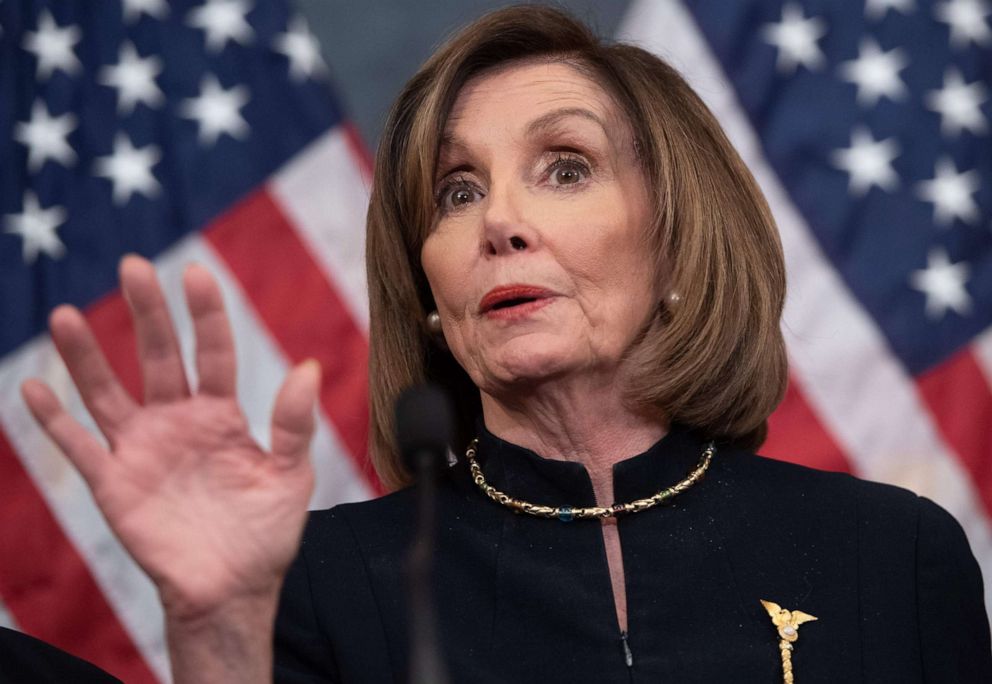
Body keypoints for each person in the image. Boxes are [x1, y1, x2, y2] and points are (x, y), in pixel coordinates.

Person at [19, 5, 991, 683]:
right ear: (433, 297)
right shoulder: (321, 585)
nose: (500, 223)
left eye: (564, 168)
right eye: (456, 191)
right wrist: (218, 631)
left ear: (675, 245)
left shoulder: (891, 561)